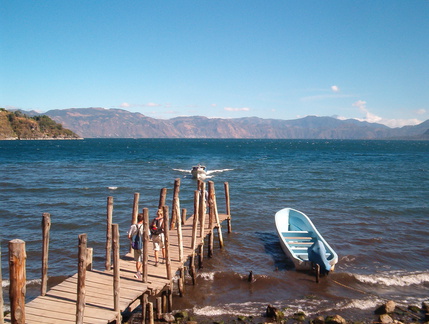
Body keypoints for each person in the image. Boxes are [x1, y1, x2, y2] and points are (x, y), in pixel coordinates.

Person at [128, 213, 144, 279]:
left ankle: (138, 272)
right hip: (142, 245)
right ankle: (139, 273)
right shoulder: (144, 226)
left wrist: (133, 240)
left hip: (135, 245)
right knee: (143, 260)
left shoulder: (133, 226)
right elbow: (148, 236)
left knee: (137, 260)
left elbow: (129, 236)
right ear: (143, 219)